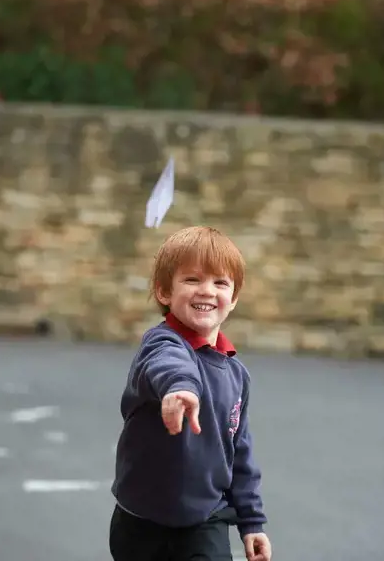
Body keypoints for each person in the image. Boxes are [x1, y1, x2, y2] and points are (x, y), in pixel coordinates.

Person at [109, 226, 272, 561]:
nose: (207, 291)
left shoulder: (237, 374)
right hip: (141, 522)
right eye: (192, 280)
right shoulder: (161, 343)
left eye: (220, 282)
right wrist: (180, 389)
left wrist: (252, 521)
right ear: (164, 292)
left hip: (205, 520)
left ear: (234, 297)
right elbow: (170, 365)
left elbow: (239, 452)